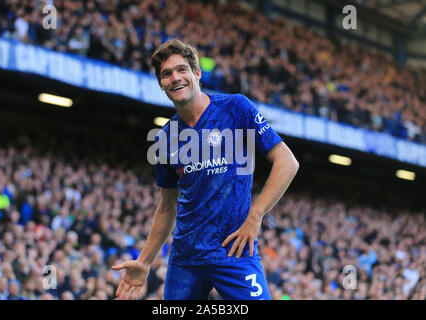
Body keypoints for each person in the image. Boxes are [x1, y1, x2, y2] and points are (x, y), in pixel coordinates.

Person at [112, 39, 299, 300]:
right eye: (166, 74)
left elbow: (287, 162)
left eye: (182, 70)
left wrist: (255, 216)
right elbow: (167, 207)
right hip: (186, 258)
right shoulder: (165, 137)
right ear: (161, 84)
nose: (175, 78)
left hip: (234, 251)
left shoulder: (236, 108)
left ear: (197, 73)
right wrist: (144, 261)